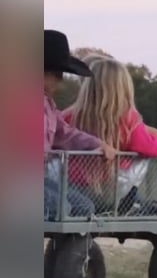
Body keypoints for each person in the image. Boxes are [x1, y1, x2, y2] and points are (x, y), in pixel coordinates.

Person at [62, 58, 157, 212]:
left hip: (71, 186)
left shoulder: (70, 116)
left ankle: (136, 204)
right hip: (109, 189)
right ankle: (139, 207)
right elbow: (145, 145)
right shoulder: (128, 118)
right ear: (123, 88)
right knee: (138, 160)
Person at [44, 29, 117, 220]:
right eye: (57, 74)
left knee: (83, 207)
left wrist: (98, 144)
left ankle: (72, 251)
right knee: (59, 209)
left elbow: (65, 134)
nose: (60, 81)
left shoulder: (48, 106)